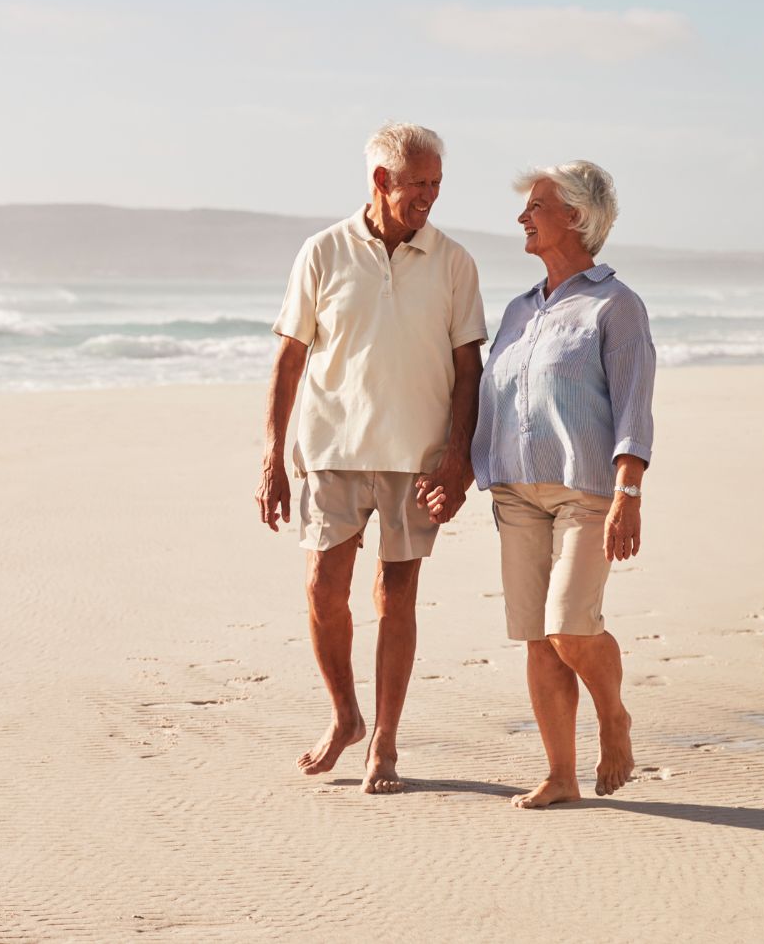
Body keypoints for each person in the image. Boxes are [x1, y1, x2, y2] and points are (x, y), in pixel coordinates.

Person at [256, 121, 487, 794]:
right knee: (323, 590)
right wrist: (273, 453)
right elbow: (290, 357)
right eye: (419, 183)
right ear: (382, 180)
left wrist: (455, 458)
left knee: (397, 595)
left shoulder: (453, 262)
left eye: (438, 184)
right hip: (330, 450)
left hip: (416, 456)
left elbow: (468, 369)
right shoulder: (322, 252)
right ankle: (345, 715)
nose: (430, 197)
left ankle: (384, 738)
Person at [431, 160, 654, 808]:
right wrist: (460, 470)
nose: (523, 217)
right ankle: (561, 774)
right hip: (515, 494)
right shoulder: (519, 309)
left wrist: (628, 494)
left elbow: (635, 407)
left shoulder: (616, 305)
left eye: (537, 206)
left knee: (570, 627)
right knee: (538, 636)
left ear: (578, 218)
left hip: (586, 492)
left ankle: (614, 717)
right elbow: (495, 399)